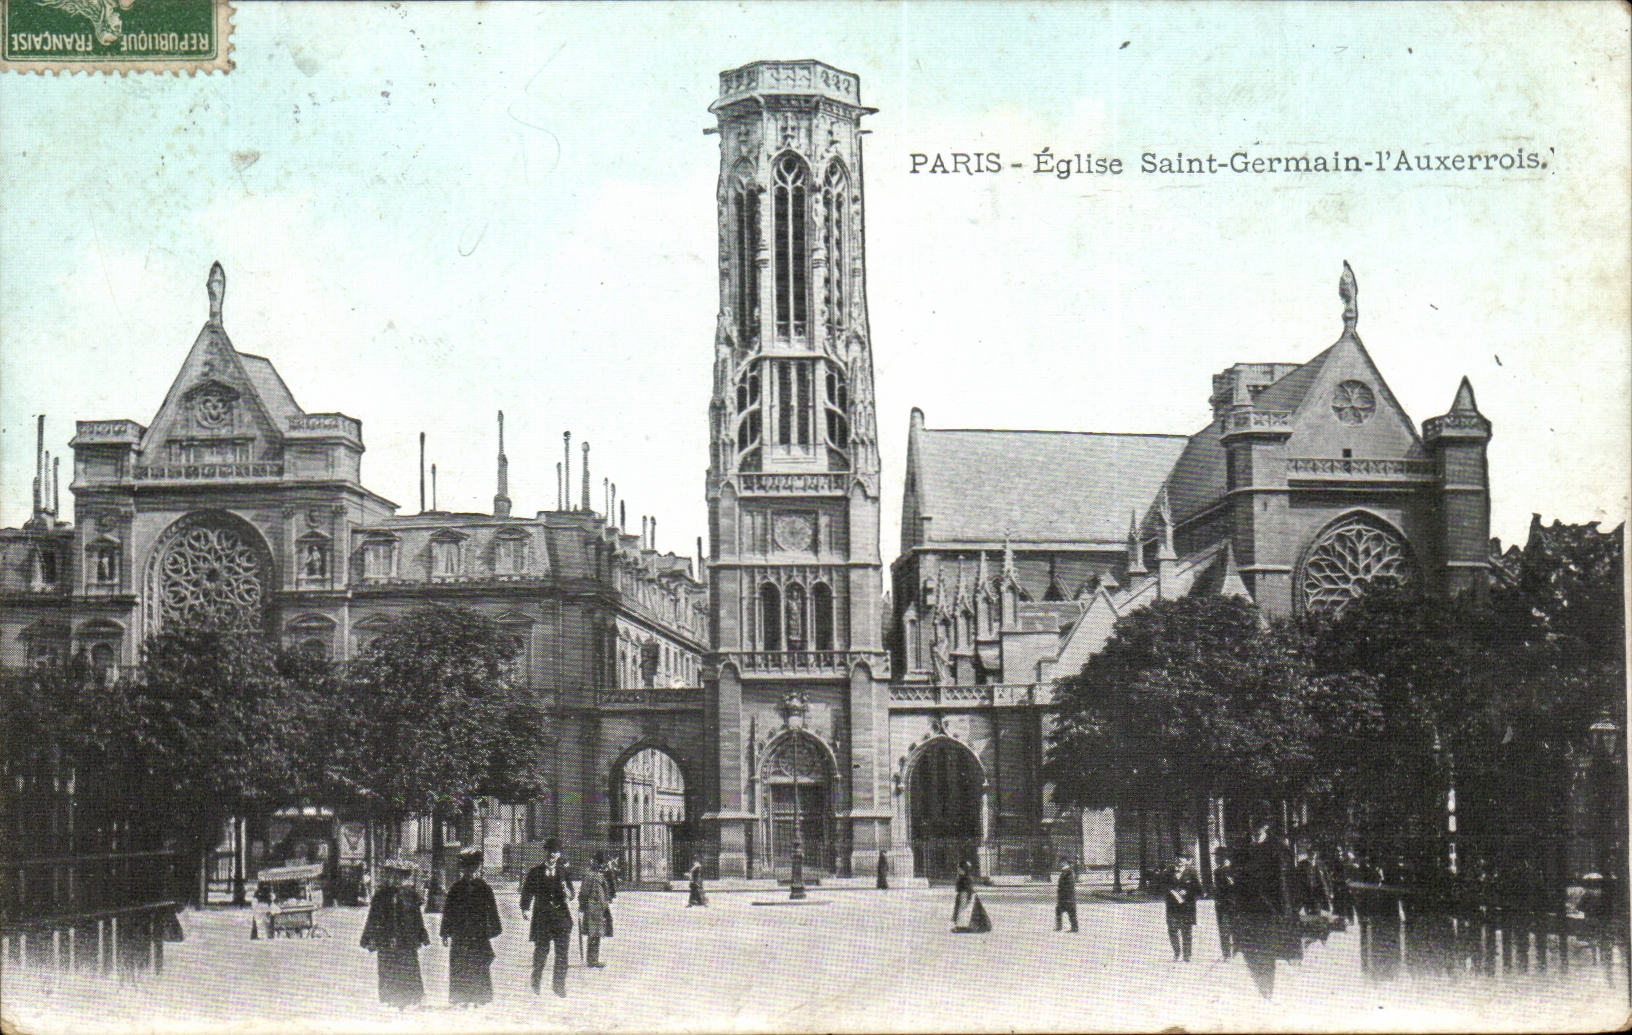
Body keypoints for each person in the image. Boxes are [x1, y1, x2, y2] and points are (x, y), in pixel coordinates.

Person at [1232, 814, 1298, 998]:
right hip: (1247, 909)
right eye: (1253, 824)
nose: (1255, 829)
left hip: (1270, 909)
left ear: (1267, 826)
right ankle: (1260, 991)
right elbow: (1237, 880)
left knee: (1266, 951)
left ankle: (1267, 992)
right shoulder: (1242, 848)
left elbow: (1286, 883)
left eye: (1260, 825)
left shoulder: (1278, 849)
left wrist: (1286, 910)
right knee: (1250, 951)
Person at [359, 859, 430, 1009]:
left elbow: (417, 917)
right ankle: (391, 998)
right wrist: (370, 937)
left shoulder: (411, 895)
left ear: (405, 878)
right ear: (388, 876)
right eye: (393, 876)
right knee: (388, 967)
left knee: (408, 966)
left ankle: (410, 998)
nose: (397, 880)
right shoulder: (380, 896)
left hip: (407, 939)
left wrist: (422, 934)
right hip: (386, 938)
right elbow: (373, 918)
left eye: (401, 877)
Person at [440, 848, 502, 1008]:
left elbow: (492, 911)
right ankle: (461, 997)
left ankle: (480, 997)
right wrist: (445, 933)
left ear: (478, 869)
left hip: (478, 933)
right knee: (461, 964)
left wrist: (492, 929)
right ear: (462, 870)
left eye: (473, 869)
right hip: (460, 933)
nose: (470, 873)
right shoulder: (455, 888)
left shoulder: (485, 888)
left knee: (479, 963)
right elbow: (448, 911)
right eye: (467, 869)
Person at [520, 837, 575, 998]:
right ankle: (536, 981)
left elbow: (572, 893)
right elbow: (527, 891)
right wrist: (525, 908)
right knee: (541, 951)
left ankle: (559, 986)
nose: (553, 854)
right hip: (542, 917)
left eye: (556, 852)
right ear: (545, 852)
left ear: (559, 854)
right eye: (550, 851)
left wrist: (568, 893)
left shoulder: (564, 872)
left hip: (561, 917)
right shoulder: (535, 872)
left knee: (562, 954)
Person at [579, 852, 613, 969]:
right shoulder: (590, 875)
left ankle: (593, 959)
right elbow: (584, 892)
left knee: (596, 934)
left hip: (600, 909)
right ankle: (592, 960)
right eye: (602, 864)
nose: (604, 866)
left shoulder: (600, 874)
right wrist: (582, 907)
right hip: (593, 909)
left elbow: (609, 889)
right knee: (594, 934)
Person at [1164, 857, 1202, 961]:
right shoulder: (1168, 872)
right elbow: (1161, 887)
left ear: (1186, 861)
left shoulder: (1191, 872)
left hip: (1187, 907)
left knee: (1186, 931)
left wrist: (1188, 892)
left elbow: (1198, 890)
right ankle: (1176, 952)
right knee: (1172, 930)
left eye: (1182, 859)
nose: (1179, 861)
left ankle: (1187, 955)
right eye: (1177, 858)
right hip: (1172, 907)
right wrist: (1170, 892)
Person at [951, 859, 992, 933]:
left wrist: (966, 897)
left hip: (966, 896)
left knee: (966, 911)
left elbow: (967, 889)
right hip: (963, 895)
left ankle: (963, 926)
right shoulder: (961, 877)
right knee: (962, 911)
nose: (958, 870)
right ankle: (961, 925)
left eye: (960, 868)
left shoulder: (967, 878)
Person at [1212, 847, 1238, 960]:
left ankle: (1234, 952)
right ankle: (1227, 954)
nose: (1215, 859)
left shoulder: (1233, 870)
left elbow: (1236, 887)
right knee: (1223, 930)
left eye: (1217, 856)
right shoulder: (1217, 871)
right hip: (1220, 905)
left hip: (1232, 904)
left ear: (1224, 858)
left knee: (1234, 928)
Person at [1055, 856, 1079, 933]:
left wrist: (1064, 895)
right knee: (1059, 910)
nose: (1060, 864)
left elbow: (1069, 885)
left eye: (1061, 863)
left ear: (1064, 862)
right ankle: (1060, 927)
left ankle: (1074, 928)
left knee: (1070, 912)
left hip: (1067, 897)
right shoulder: (1066, 871)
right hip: (1065, 897)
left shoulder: (1067, 872)